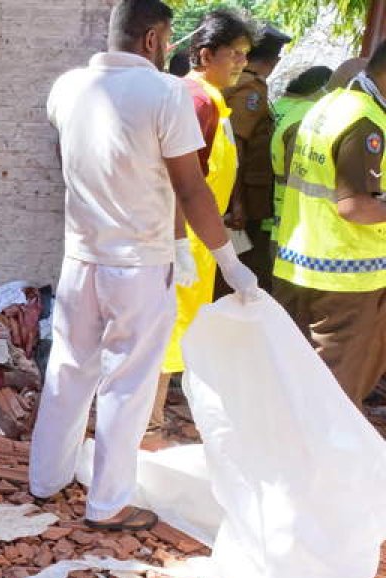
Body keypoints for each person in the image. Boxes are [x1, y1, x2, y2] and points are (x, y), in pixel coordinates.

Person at [31, 0, 258, 532]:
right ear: (154, 40)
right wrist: (227, 259)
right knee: (128, 384)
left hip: (81, 256)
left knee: (67, 370)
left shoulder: (67, 88)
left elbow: (73, 161)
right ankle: (107, 504)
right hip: (138, 264)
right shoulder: (165, 93)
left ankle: (46, 480)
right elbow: (190, 187)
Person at [152, 9, 254, 431]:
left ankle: (151, 420)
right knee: (166, 338)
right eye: (235, 53)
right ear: (205, 54)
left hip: (200, 242)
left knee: (177, 337)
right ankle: (148, 425)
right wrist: (179, 244)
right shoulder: (196, 103)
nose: (242, 63)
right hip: (186, 241)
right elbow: (180, 183)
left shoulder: (212, 103)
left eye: (246, 55)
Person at [272, 44, 386, 407]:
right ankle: (319, 462)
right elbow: (354, 206)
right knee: (333, 394)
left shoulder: (326, 106)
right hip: (346, 278)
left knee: (292, 378)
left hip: (298, 262)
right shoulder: (366, 122)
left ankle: (286, 454)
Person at [223, 25, 292, 291]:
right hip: (244, 200)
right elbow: (236, 145)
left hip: (246, 197)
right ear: (274, 60)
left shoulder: (241, 82)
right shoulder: (250, 88)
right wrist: (237, 202)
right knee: (243, 268)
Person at [270, 66, 333, 240]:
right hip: (292, 204)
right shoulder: (310, 112)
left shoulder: (279, 105)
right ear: (323, 86)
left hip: (266, 190)